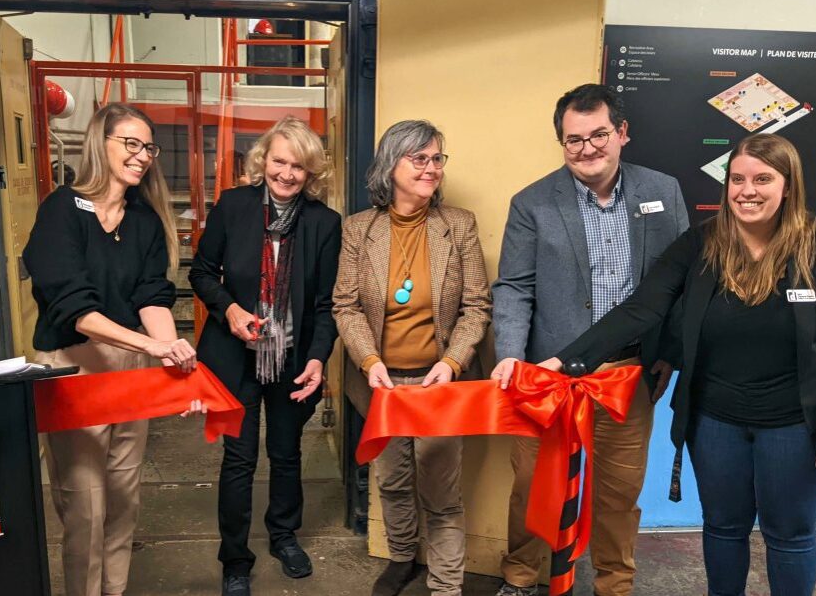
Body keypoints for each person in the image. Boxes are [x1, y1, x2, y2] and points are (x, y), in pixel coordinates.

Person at [547, 133, 816, 596]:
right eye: (737, 179)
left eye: (762, 179)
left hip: (792, 421)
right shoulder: (703, 243)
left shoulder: (811, 245)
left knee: (790, 533)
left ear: (788, 186)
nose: (746, 191)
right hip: (714, 419)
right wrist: (569, 360)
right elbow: (642, 308)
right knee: (724, 526)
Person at [490, 83, 688, 596]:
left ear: (621, 133)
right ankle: (519, 577)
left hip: (626, 377)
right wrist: (511, 357)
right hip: (548, 378)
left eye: (598, 134)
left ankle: (613, 584)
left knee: (619, 493)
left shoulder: (662, 193)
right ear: (561, 143)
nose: (588, 149)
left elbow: (682, 284)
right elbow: (514, 288)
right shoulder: (532, 203)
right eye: (573, 140)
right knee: (534, 487)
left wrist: (667, 355)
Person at [23, 102, 198, 596]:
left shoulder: (142, 220)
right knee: (86, 505)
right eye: (131, 143)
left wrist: (175, 361)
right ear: (101, 144)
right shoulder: (62, 209)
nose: (142, 156)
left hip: (130, 369)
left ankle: (113, 591)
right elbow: (74, 307)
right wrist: (154, 346)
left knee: (123, 497)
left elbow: (151, 295)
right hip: (75, 368)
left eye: (148, 147)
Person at [333, 120, 492, 596]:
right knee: (394, 482)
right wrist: (368, 360)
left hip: (438, 386)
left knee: (441, 495)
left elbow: (476, 306)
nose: (431, 168)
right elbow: (345, 305)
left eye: (437, 158)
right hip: (381, 384)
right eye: (418, 158)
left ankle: (445, 586)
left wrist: (453, 363)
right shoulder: (360, 230)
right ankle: (402, 559)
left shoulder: (457, 226)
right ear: (390, 165)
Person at [189, 116, 342, 596]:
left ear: (311, 171)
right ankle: (235, 558)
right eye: (279, 161)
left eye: (298, 165)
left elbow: (325, 304)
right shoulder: (233, 207)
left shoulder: (324, 223)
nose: (287, 173)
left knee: (285, 452)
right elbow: (201, 272)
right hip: (234, 357)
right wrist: (230, 310)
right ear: (263, 161)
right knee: (238, 459)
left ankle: (283, 535)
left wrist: (318, 358)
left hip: (292, 358)